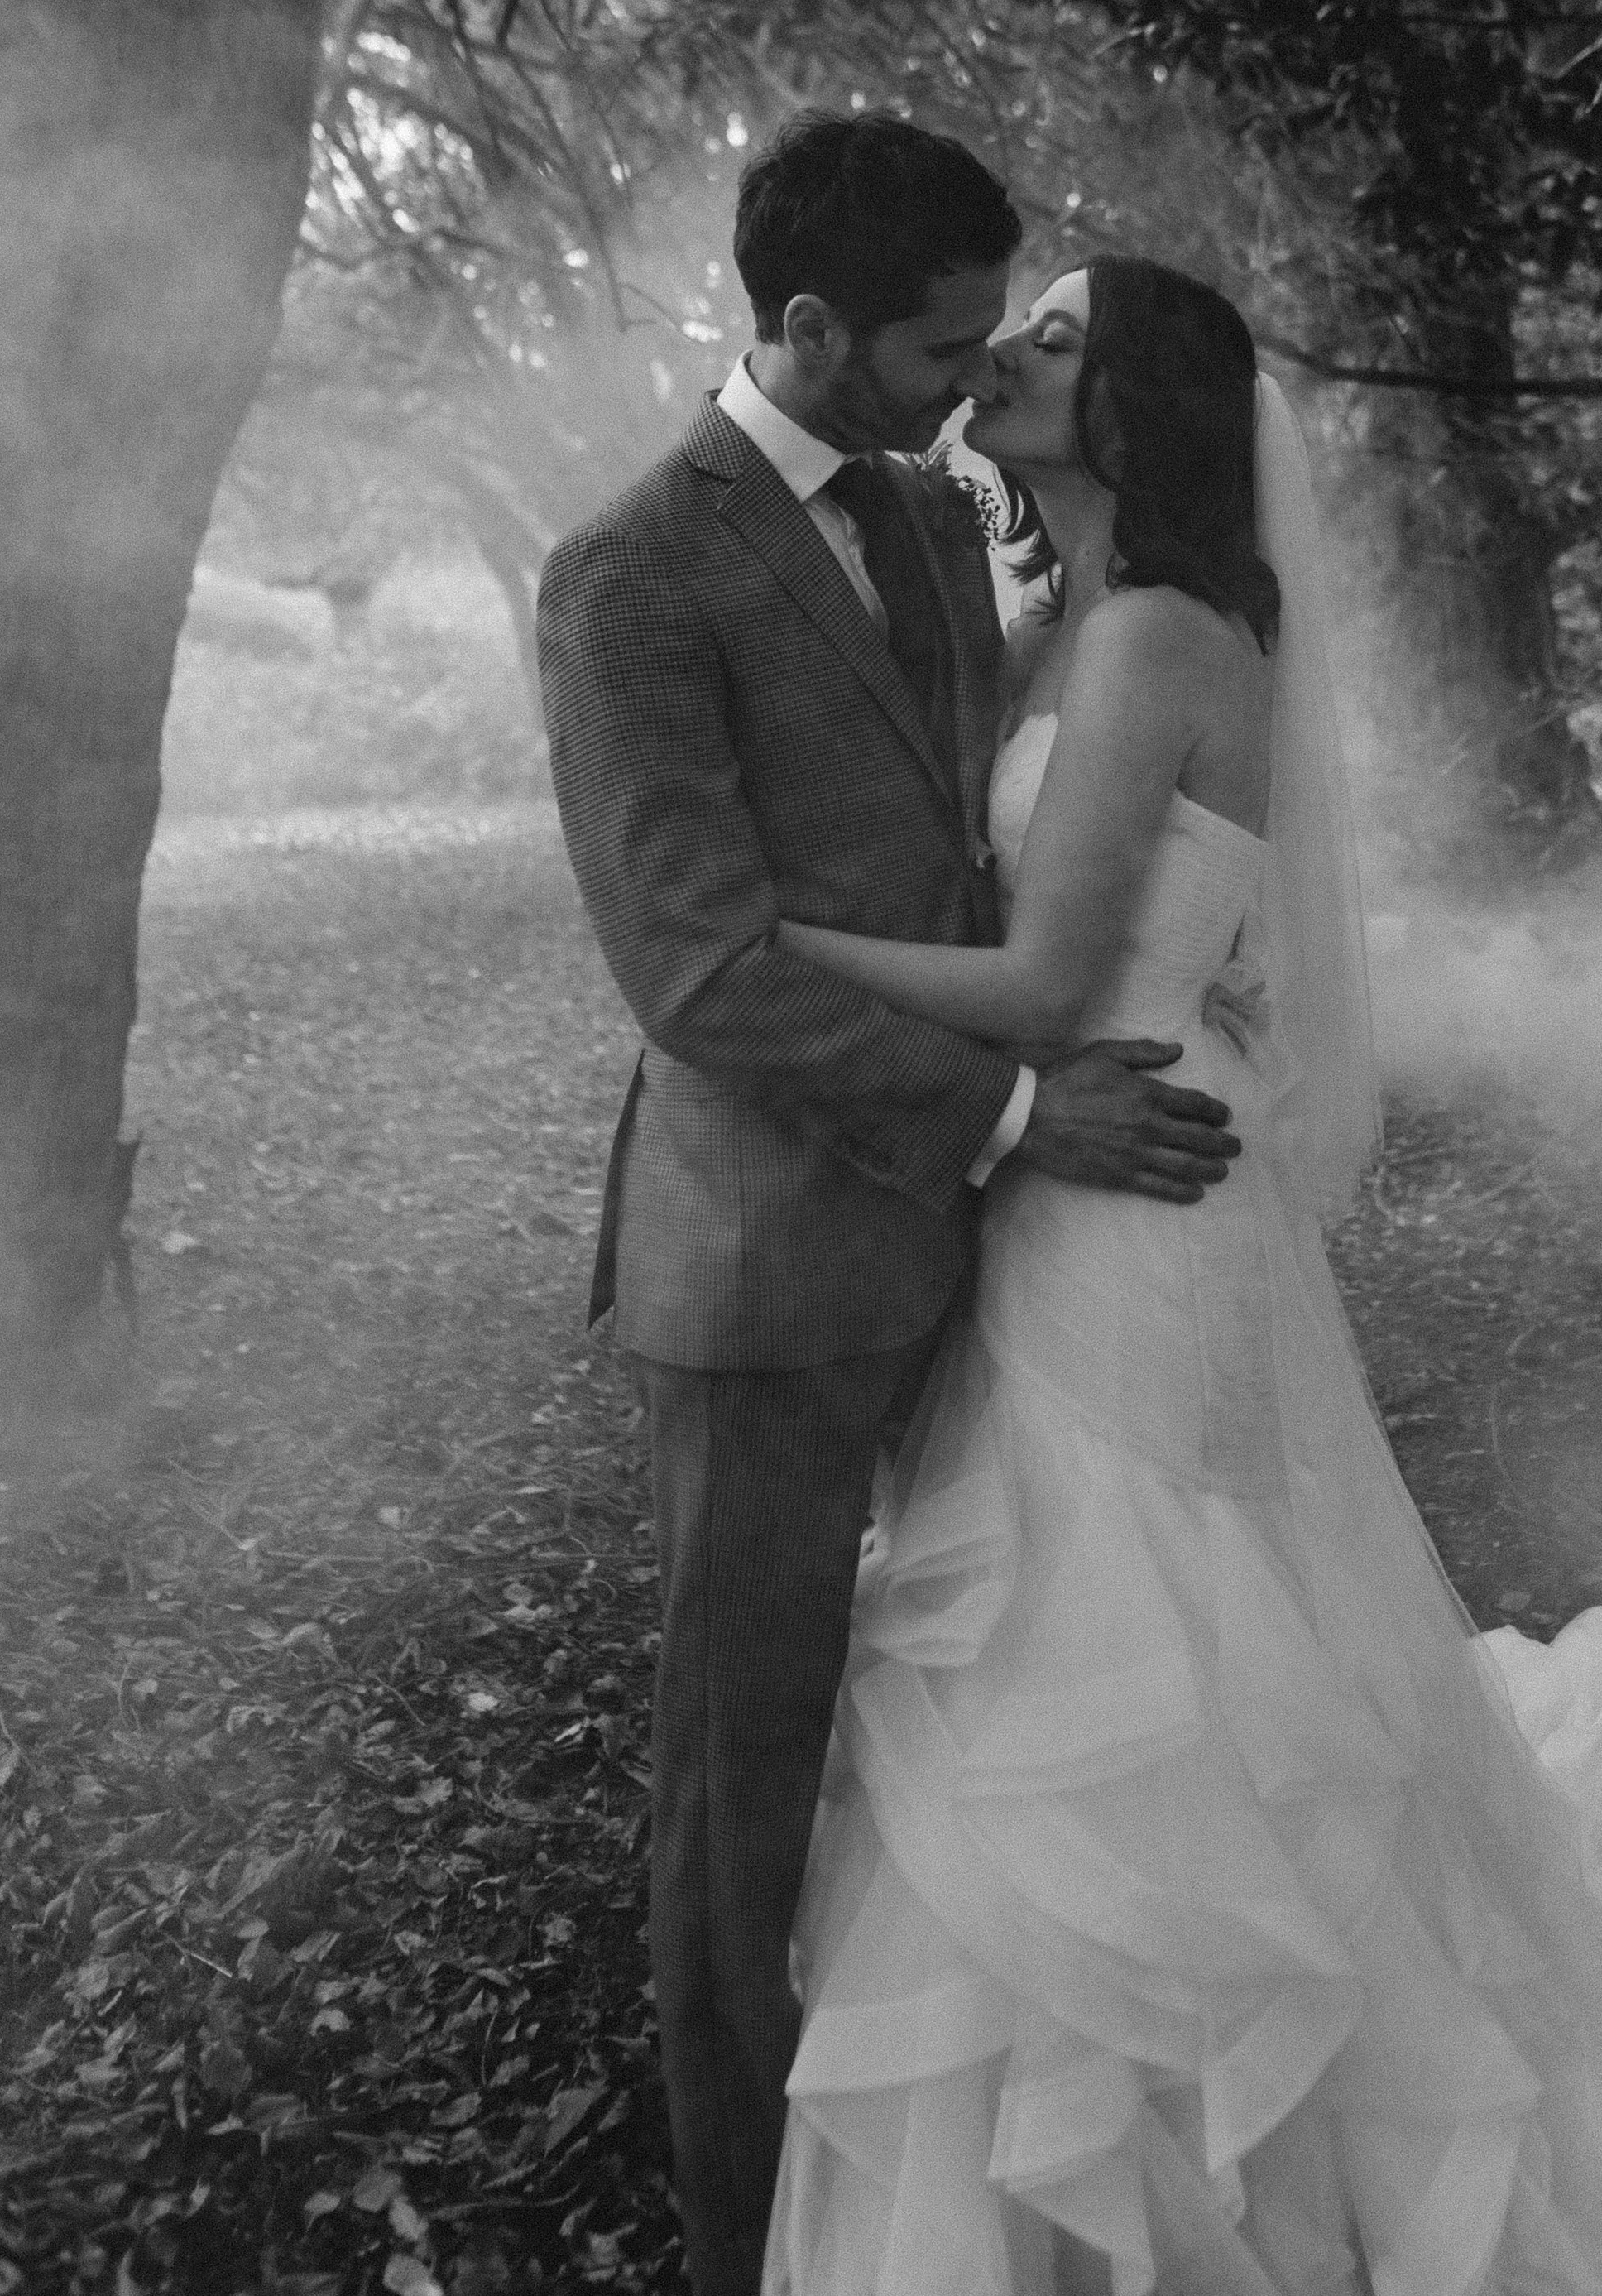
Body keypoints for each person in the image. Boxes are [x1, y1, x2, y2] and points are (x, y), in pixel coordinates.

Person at [760, 254, 1602, 2294]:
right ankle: (1129, 2131)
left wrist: (741, 954)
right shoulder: (1048, 615)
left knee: (1155, 1643)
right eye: (1013, 331)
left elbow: (1040, 975)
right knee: (1092, 1626)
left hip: (1128, 1180)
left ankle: (1243, 2142)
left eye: (1060, 339)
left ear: (1147, 405)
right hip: (1071, 1160)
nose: (1006, 354)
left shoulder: (1168, 631)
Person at [535, 118, 1242, 2296]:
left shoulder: (950, 520)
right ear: (806, 323)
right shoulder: (631, 576)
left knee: (968, 1733)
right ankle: (753, 2238)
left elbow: (1022, 814)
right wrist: (1024, 1108)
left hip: (983, 1266)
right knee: (741, 1783)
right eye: (936, 344)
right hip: (757, 1271)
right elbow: (694, 973)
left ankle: (959, 2186)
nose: (964, 379)